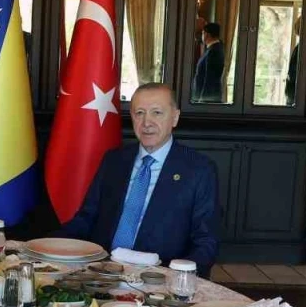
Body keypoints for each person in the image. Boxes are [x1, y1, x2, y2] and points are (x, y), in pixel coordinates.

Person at [57, 83, 219, 277]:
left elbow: (206, 240)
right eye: (139, 113)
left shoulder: (199, 169)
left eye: (157, 113)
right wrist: (46, 246)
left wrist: (179, 278)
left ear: (175, 118)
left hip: (159, 278)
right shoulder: (114, 160)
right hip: (101, 272)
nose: (146, 122)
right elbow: (86, 218)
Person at [191, 21, 225, 104]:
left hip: (208, 99)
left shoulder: (214, 51)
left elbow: (210, 78)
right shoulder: (211, 49)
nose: (202, 36)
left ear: (207, 35)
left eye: (203, 33)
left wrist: (203, 100)